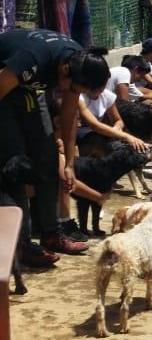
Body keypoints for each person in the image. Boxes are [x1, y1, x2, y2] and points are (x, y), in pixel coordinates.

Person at [0, 29, 110, 263]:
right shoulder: (33, 57)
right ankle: (21, 244)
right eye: (73, 89)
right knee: (17, 165)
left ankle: (52, 233)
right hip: (4, 91)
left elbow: (69, 116)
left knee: (48, 159)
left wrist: (69, 163)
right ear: (64, 70)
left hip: (29, 90)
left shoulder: (78, 63)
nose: (72, 93)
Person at [77, 85, 147, 152]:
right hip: (81, 134)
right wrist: (127, 137)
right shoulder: (79, 97)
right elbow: (95, 125)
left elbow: (118, 120)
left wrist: (117, 127)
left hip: (100, 132)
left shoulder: (106, 95)